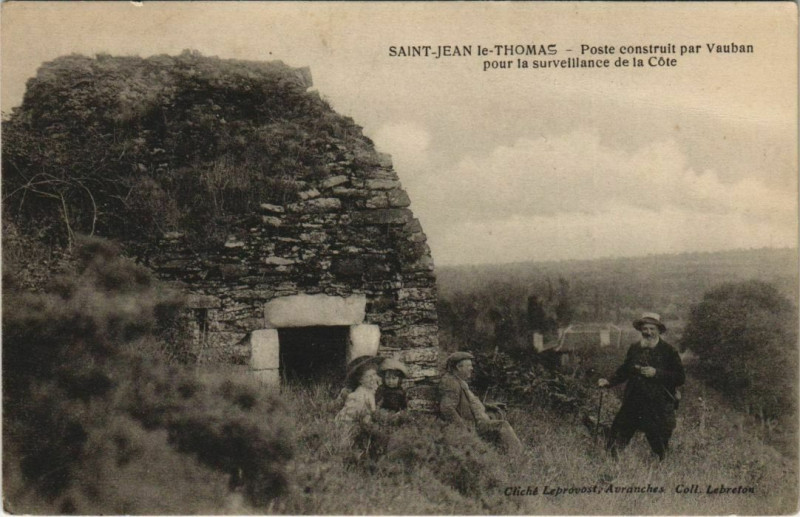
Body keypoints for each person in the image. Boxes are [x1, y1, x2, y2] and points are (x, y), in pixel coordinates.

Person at [598, 312, 685, 460]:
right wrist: (609, 382)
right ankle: (611, 465)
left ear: (659, 330)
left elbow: (680, 377)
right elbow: (625, 370)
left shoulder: (669, 351)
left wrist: (656, 373)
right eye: (645, 329)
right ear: (640, 330)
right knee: (617, 436)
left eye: (652, 329)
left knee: (659, 444)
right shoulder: (635, 348)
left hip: (658, 404)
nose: (648, 332)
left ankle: (660, 466)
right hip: (633, 400)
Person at [438, 351, 524, 455]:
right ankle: (518, 454)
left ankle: (501, 451)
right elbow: (447, 408)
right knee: (502, 425)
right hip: (474, 424)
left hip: (477, 419)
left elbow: (469, 402)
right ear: (458, 367)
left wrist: (487, 406)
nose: (471, 368)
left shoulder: (459, 381)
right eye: (469, 366)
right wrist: (463, 427)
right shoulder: (451, 383)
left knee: (497, 413)